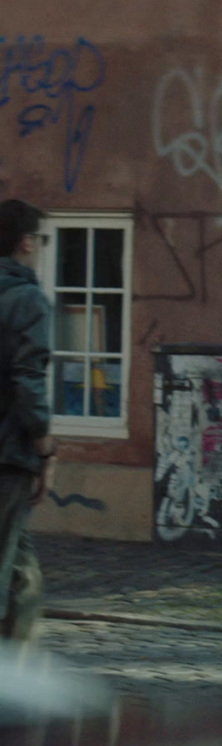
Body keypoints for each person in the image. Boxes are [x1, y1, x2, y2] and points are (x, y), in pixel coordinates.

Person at [0, 199, 56, 642]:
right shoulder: (28, 298)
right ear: (25, 241)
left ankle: (21, 659)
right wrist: (45, 448)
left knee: (22, 564)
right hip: (8, 450)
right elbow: (28, 379)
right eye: (39, 238)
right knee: (7, 559)